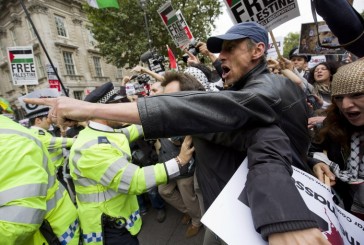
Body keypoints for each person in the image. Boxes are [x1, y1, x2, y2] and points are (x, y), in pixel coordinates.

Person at [24, 22, 328, 244]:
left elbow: (198, 113)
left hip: (264, 212)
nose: (221, 57)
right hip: (233, 209)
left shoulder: (267, 89)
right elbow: (289, 134)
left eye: (230, 48)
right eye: (219, 51)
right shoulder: (255, 89)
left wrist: (89, 110)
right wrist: (315, 156)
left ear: (258, 50)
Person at [68, 82, 194, 244]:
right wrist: (179, 161)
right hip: (108, 229)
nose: (124, 108)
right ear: (103, 111)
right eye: (119, 104)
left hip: (118, 219)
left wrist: (163, 113)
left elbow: (133, 130)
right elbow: (135, 180)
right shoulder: (92, 148)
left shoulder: (101, 132)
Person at [309, 58, 364, 221]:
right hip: (345, 214)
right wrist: (317, 164)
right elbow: (314, 150)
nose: (346, 105)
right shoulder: (334, 122)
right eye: (339, 98)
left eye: (357, 94)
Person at [156, 72, 203, 238]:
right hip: (167, 164)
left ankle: (197, 221)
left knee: (189, 197)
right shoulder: (160, 113)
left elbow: (185, 140)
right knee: (164, 191)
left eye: (156, 91)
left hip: (184, 168)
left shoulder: (184, 114)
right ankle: (188, 211)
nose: (153, 94)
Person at [0, 112, 48, 245]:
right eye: (47, 118)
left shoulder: (9, 141)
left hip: (46, 234)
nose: (50, 120)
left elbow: (19, 222)